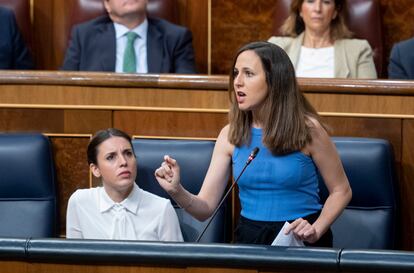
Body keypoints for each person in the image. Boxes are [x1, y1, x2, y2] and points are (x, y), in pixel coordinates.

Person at [155, 41, 352, 246]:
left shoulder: (308, 130)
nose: (237, 82)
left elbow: (341, 190)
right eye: (236, 73)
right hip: (250, 238)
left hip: (301, 237)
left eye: (248, 74)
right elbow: (204, 209)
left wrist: (316, 229)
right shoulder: (230, 135)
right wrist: (176, 190)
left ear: (275, 80)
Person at [66, 128, 183, 241]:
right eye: (111, 157)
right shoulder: (80, 203)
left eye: (128, 153)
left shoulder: (161, 209)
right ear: (96, 169)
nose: (123, 162)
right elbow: (72, 258)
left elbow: (175, 260)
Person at [62, 0, 196, 73]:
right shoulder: (84, 36)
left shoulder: (176, 38)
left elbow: (187, 93)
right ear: (107, 4)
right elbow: (64, 86)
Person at [268, 0, 376, 79]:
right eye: (310, 1)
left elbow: (369, 101)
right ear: (300, 9)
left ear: (335, 12)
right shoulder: (277, 48)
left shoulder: (359, 50)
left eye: (326, 2)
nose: (317, 9)